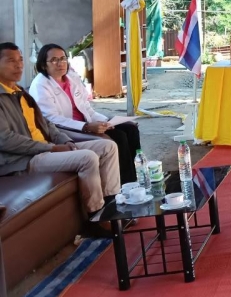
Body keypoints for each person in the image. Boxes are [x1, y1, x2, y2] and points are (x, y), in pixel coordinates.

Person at [0, 43, 120, 229]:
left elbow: (46, 124)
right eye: (11, 61)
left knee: (108, 146)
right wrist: (53, 148)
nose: (18, 65)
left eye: (20, 60)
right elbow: (5, 139)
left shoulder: (20, 92)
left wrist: (66, 141)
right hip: (24, 159)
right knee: (87, 158)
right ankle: (96, 218)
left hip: (46, 149)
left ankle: (112, 206)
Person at [29, 43, 138, 184]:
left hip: (86, 123)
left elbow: (86, 107)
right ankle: (126, 184)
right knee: (119, 137)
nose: (60, 63)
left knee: (130, 128)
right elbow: (52, 119)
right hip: (67, 129)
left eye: (63, 58)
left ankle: (138, 176)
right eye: (54, 60)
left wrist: (105, 121)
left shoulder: (71, 77)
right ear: (44, 65)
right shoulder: (40, 85)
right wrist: (86, 127)